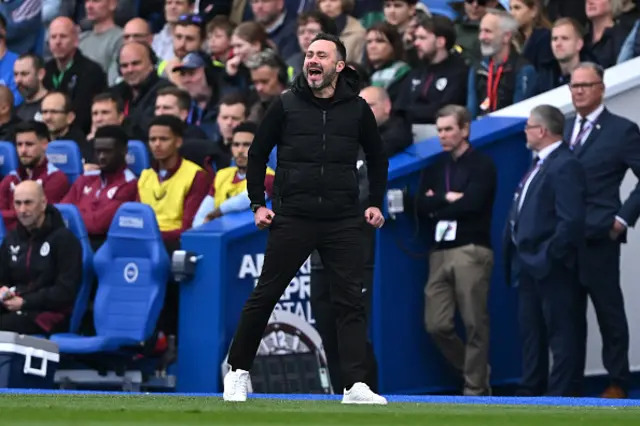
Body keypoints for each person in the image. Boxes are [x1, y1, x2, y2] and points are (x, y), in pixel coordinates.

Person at [222, 33, 389, 405]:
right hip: (293, 216)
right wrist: (256, 204)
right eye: (309, 54)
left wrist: (375, 202)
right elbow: (257, 153)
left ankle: (354, 385)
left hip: (343, 219)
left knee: (350, 303)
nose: (312, 60)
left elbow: (377, 159)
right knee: (266, 295)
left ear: (338, 66)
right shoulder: (285, 104)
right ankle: (237, 372)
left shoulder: (358, 109)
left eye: (321, 55)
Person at [564, 62, 640, 399]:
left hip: (599, 236)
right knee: (566, 316)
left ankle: (618, 381)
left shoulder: (621, 130)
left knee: (609, 312)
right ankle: (569, 385)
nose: (578, 91)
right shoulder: (563, 127)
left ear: (601, 88)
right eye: (574, 85)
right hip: (564, 239)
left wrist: (623, 218)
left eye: (585, 85)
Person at [504, 105, 586, 396]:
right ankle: (531, 389)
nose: (525, 131)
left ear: (542, 130)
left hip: (551, 265)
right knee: (531, 333)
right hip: (527, 263)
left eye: (528, 126)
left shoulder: (564, 164)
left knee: (560, 332)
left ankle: (561, 394)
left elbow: (571, 221)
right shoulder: (539, 163)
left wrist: (548, 256)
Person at [0, 181, 82, 335]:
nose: (22, 210)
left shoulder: (65, 240)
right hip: (15, 306)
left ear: (43, 203)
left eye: (28, 203)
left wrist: (25, 302)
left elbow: (65, 292)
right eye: (18, 203)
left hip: (49, 314)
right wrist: (3, 291)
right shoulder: (12, 238)